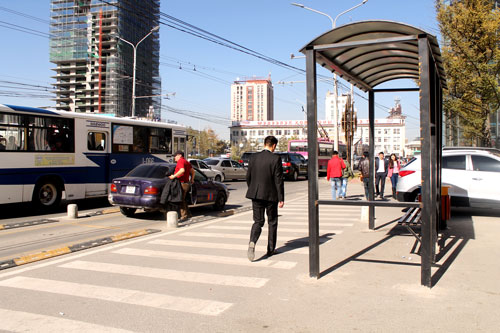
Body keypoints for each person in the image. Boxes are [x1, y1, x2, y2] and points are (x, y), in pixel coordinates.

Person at [246, 135, 284, 261]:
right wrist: (281, 197)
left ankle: (252, 242)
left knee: (258, 221)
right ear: (273, 145)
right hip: (270, 195)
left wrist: (252, 189)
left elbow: (248, 176)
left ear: (264, 144)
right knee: (272, 221)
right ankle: (270, 249)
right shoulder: (276, 159)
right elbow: (278, 180)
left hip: (255, 194)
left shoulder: (253, 157)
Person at [169, 150, 195, 222]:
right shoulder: (186, 162)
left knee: (180, 200)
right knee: (183, 199)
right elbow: (193, 171)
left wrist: (174, 176)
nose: (174, 158)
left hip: (182, 183)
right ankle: (188, 214)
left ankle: (184, 216)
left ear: (179, 155)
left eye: (175, 156)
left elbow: (182, 170)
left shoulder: (181, 161)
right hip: (186, 183)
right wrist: (192, 179)